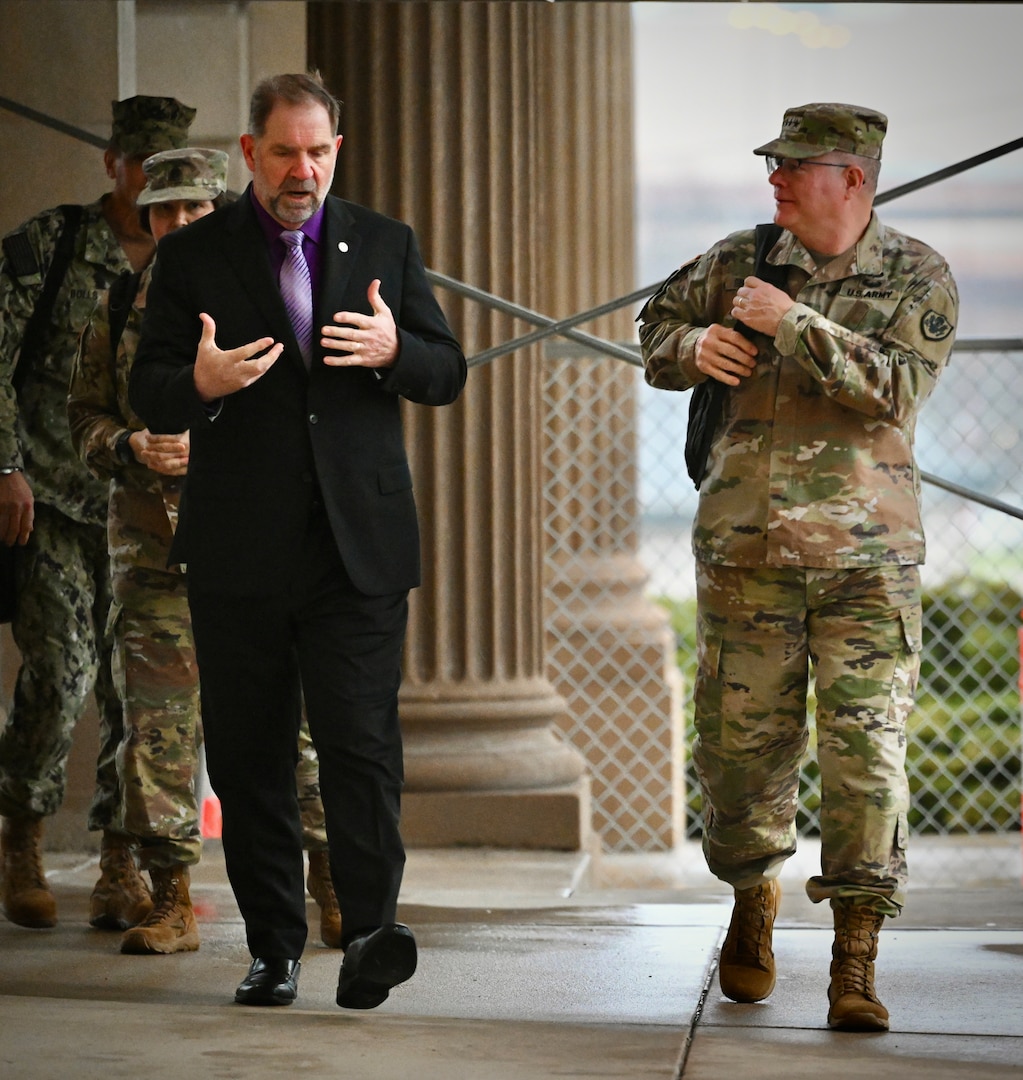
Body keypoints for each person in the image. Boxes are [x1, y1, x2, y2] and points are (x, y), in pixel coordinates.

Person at [129, 72, 466, 1009]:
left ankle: (368, 935)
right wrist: (196, 384)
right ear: (250, 154)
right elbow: (148, 390)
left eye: (318, 151)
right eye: (284, 152)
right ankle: (272, 947)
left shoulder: (385, 243)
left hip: (354, 550)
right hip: (240, 550)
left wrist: (399, 352)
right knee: (249, 755)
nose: (302, 169)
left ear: (335, 153)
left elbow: (447, 371)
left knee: (361, 748)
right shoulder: (195, 255)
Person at [638, 103, 958, 1033]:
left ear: (853, 178)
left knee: (866, 760)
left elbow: (896, 389)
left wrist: (792, 325)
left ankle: (855, 958)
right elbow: (652, 325)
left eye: (794, 165)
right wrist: (692, 349)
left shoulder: (915, 273)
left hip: (866, 563)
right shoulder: (739, 259)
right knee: (741, 761)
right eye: (771, 164)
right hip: (744, 554)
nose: (773, 179)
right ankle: (752, 899)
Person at [68, 148, 343, 954]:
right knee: (157, 727)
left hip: (253, 542)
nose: (182, 224)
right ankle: (173, 897)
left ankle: (328, 882)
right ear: (146, 218)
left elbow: (313, 417)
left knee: (287, 724)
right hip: (153, 553)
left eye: (198, 211)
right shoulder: (117, 306)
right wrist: (129, 444)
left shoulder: (270, 291)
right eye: (166, 212)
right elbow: (81, 419)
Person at [0, 96, 195, 932]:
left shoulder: (199, 263)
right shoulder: (52, 245)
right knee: (63, 669)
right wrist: (4, 465)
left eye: (169, 166)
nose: (153, 180)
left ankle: (121, 866)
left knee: (135, 696)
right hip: (49, 498)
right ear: (113, 164)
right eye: (139, 163)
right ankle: (24, 835)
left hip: (143, 514)